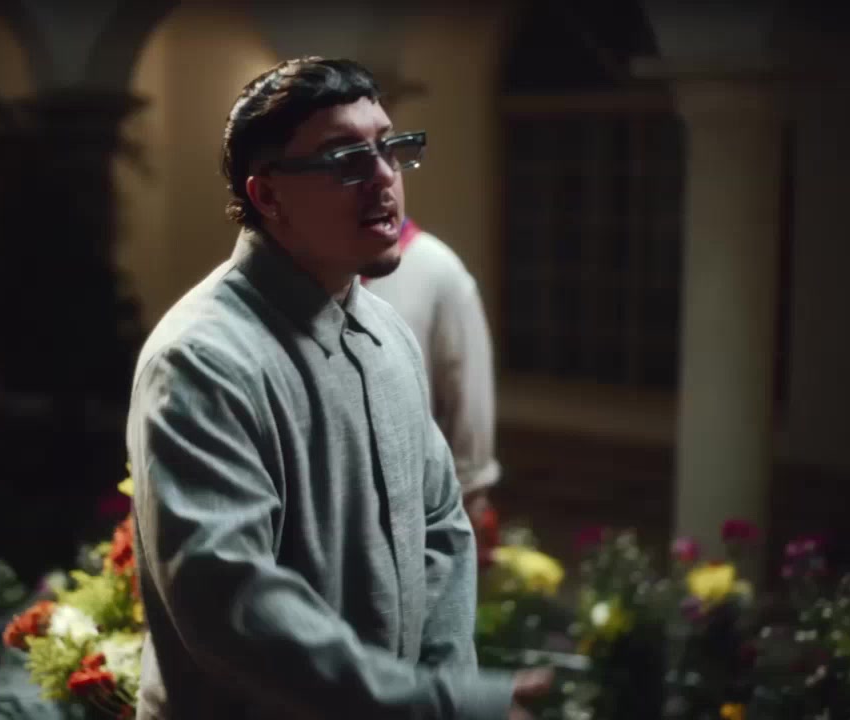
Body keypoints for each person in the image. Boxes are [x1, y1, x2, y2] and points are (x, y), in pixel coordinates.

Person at [125, 57, 552, 720]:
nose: (383, 177)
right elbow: (233, 603)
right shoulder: (203, 360)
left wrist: (442, 693)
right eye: (347, 159)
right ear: (267, 196)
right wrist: (431, 702)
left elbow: (442, 529)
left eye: (388, 148)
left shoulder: (386, 332)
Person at [361, 218, 502, 551]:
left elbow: (469, 405)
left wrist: (471, 496)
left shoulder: (433, 268)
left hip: (412, 511)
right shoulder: (315, 267)